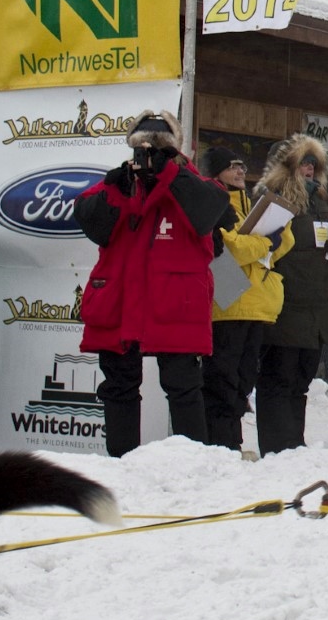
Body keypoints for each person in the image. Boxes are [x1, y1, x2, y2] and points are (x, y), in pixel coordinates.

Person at [75, 111, 230, 457]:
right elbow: (91, 221)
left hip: (173, 303)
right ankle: (122, 461)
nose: (148, 155)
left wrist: (170, 171)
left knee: (183, 386)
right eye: (143, 147)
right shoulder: (119, 184)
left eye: (158, 147)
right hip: (121, 300)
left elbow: (208, 211)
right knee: (118, 385)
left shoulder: (190, 182)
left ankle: (192, 464)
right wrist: (117, 185)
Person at [202, 147, 294, 452]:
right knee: (222, 380)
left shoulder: (248, 205)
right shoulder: (214, 203)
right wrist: (265, 240)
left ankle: (233, 441)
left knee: (242, 382)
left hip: (255, 304)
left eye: (242, 165)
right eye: (232, 166)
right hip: (227, 305)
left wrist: (281, 225)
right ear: (216, 172)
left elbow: (272, 251)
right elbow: (231, 248)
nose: (240, 171)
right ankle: (221, 444)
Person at [254, 134, 328, 456]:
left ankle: (294, 444)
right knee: (279, 377)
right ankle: (277, 447)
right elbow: (258, 250)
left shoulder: (319, 202)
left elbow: (319, 249)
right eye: (302, 163)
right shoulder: (271, 199)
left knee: (301, 378)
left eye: (312, 164)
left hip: (315, 303)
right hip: (284, 302)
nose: (308, 169)